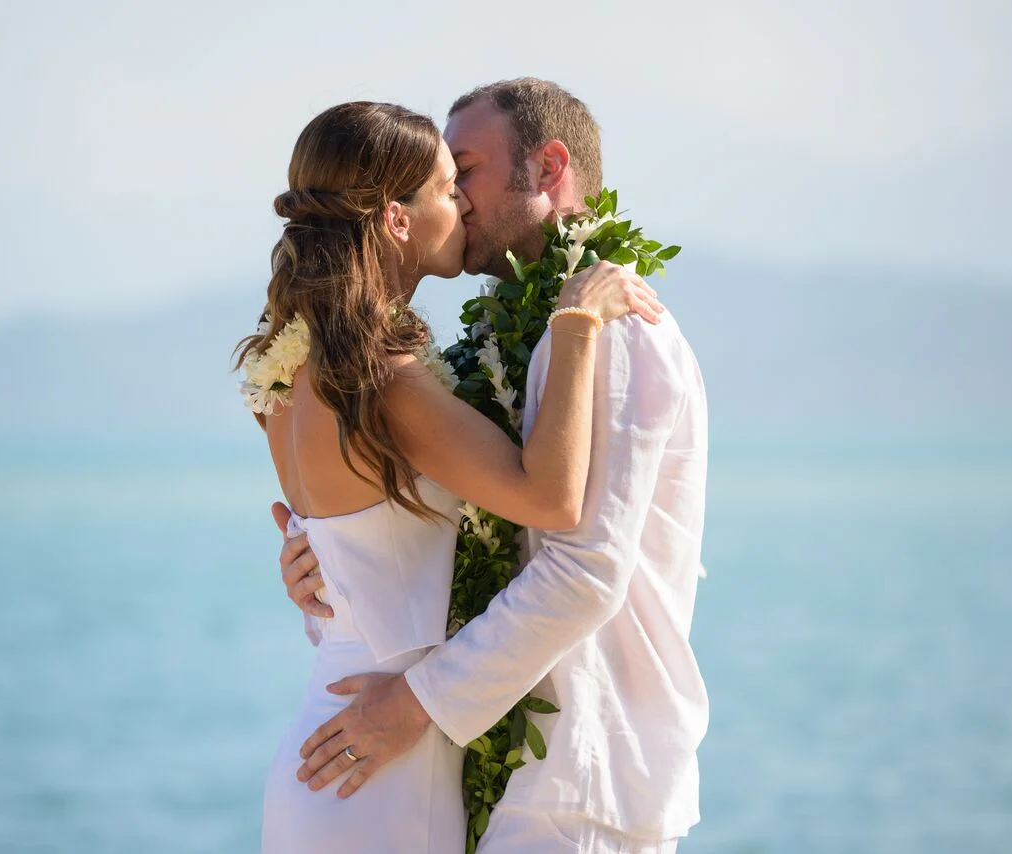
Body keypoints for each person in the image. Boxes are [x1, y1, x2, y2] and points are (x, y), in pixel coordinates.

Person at [275, 79, 710, 853]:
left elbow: (585, 568)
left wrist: (412, 704)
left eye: (464, 170)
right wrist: (326, 570)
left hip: (583, 774)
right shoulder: (490, 350)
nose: (461, 200)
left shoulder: (616, 327)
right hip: (478, 771)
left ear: (547, 170)